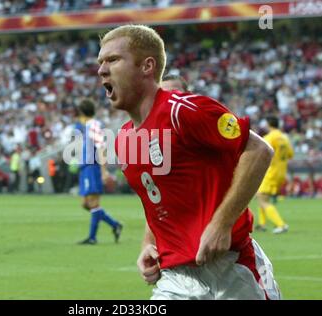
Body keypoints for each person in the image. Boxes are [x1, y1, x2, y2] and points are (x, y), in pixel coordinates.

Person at [98, 24, 281, 299]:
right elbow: (158, 199)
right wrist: (148, 243)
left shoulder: (182, 111)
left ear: (147, 66)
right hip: (175, 279)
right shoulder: (124, 139)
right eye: (100, 62)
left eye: (112, 60)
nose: (101, 70)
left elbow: (259, 151)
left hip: (232, 270)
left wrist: (221, 224)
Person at [75, 98, 123, 245]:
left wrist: (103, 171)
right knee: (85, 204)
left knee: (93, 203)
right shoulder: (87, 127)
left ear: (81, 113)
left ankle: (92, 237)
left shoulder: (94, 125)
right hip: (86, 168)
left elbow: (101, 148)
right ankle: (115, 225)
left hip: (93, 168)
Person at [256, 116, 294, 234]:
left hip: (271, 172)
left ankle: (281, 225)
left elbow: (263, 154)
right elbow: (290, 154)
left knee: (262, 198)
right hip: (281, 172)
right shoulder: (284, 138)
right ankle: (262, 224)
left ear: (268, 125)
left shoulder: (269, 137)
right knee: (261, 196)